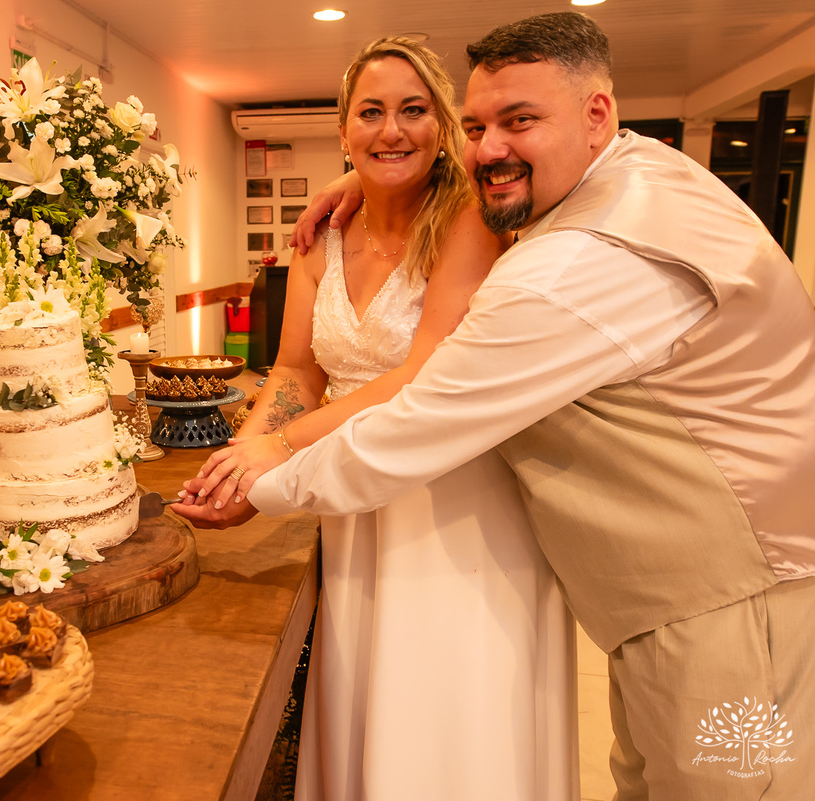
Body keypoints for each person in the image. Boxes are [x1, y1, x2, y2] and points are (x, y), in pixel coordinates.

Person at [182, 12, 815, 801]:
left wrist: (260, 481)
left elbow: (419, 418)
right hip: (669, 594)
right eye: (477, 126)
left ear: (597, 115)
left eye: (522, 120)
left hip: (743, 601)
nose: (490, 148)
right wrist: (361, 179)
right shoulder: (636, 174)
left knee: (736, 788)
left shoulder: (576, 266)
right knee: (655, 779)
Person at [175, 36, 578, 801]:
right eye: (372, 113)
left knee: (445, 705)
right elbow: (297, 368)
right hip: (354, 501)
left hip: (452, 498)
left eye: (413, 110)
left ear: (444, 127)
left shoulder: (468, 223)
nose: (392, 130)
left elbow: (417, 373)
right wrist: (242, 449)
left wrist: (278, 452)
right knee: (365, 690)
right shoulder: (319, 237)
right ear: (344, 131)